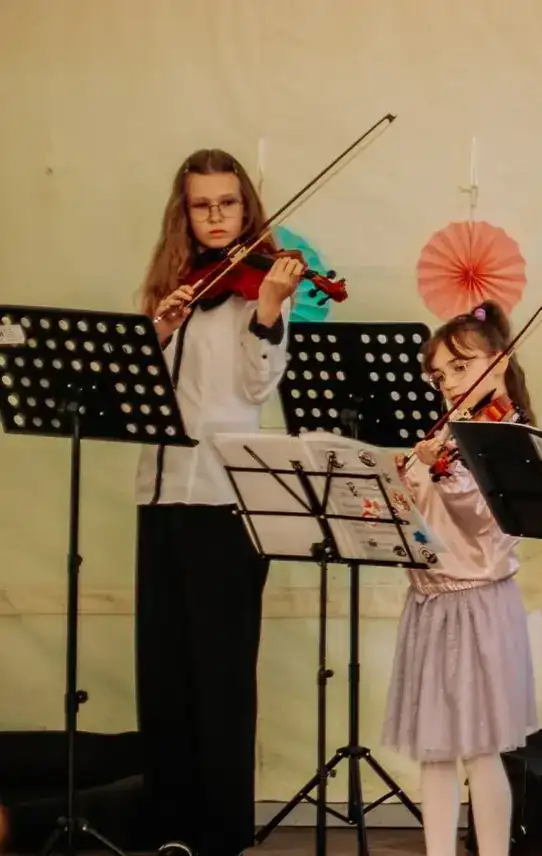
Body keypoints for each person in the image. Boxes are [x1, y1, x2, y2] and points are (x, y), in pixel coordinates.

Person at [133, 148, 301, 856]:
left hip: (229, 501)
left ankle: (222, 833)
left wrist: (265, 311)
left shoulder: (261, 289)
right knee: (164, 667)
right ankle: (169, 828)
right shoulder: (168, 289)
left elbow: (258, 387)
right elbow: (137, 390)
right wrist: (158, 332)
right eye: (201, 205)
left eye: (226, 204)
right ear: (184, 211)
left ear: (245, 208)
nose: (214, 218)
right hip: (161, 491)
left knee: (222, 673)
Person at [386, 302, 540, 856]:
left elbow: (488, 520)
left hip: (478, 603)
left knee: (480, 750)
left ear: (499, 364)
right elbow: (414, 518)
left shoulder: (509, 435)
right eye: (441, 374)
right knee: (435, 750)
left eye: (461, 366)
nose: (449, 383)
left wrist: (439, 474)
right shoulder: (447, 435)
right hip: (429, 601)